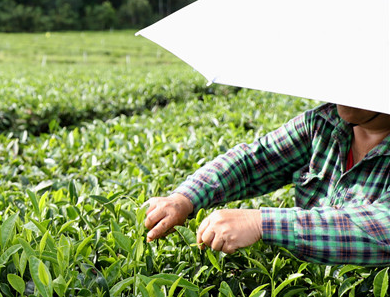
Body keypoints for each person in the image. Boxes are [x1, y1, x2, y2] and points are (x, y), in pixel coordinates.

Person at [144, 103, 390, 265]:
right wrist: (183, 199)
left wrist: (261, 223)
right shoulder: (323, 123)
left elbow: (382, 227)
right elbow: (253, 161)